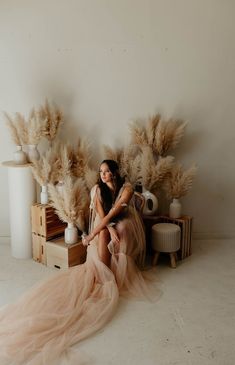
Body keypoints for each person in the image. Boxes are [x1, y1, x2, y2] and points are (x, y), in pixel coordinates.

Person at [0, 160, 154, 365]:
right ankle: (104, 275)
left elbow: (115, 211)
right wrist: (103, 231)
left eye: (107, 171)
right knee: (106, 233)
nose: (103, 174)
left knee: (117, 228)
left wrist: (91, 236)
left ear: (115, 173)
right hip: (106, 224)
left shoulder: (125, 188)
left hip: (122, 219)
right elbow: (101, 215)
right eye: (101, 171)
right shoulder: (97, 190)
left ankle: (105, 270)